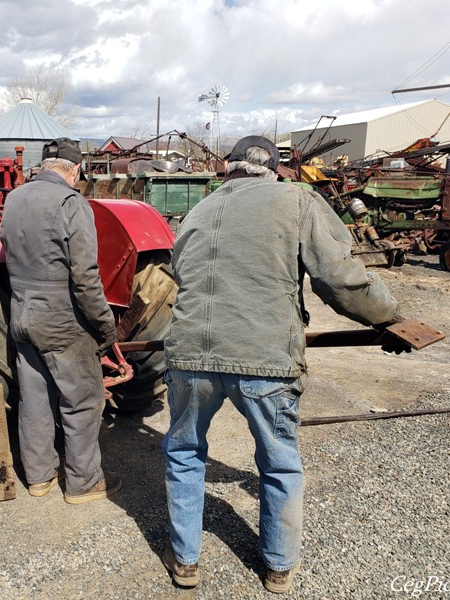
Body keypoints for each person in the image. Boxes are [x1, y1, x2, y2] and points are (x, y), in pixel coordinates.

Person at [161, 136, 399, 592]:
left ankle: (186, 561)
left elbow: (181, 275)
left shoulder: (198, 212)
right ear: (274, 170)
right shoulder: (297, 201)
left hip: (189, 357)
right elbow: (341, 279)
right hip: (265, 361)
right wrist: (389, 315)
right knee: (279, 462)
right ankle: (277, 566)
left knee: (184, 453)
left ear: (227, 170)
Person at [0, 137, 122, 504]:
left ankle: (39, 478)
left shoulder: (14, 198)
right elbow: (85, 275)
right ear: (75, 170)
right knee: (82, 399)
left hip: (21, 312)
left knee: (34, 399)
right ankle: (84, 483)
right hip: (61, 319)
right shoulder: (72, 202)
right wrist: (103, 324)